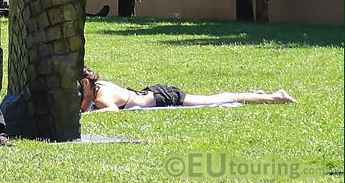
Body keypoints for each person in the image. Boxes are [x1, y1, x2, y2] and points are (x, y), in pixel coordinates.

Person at [80, 67, 296, 112]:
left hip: (165, 98)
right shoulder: (98, 87)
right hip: (155, 92)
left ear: (88, 83)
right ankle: (255, 96)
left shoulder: (102, 95)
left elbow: (111, 111)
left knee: (215, 99)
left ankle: (275, 97)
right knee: (215, 98)